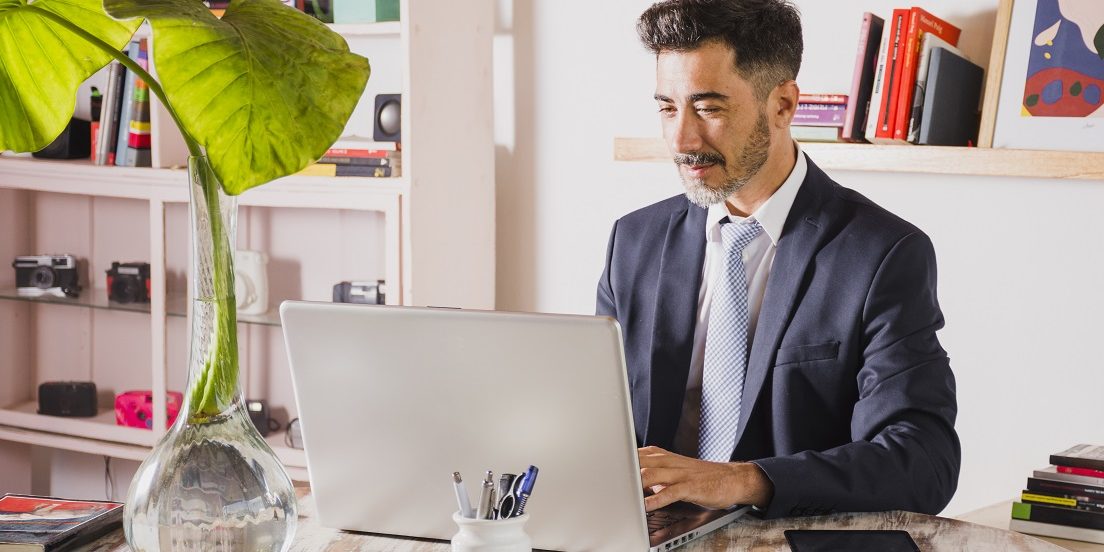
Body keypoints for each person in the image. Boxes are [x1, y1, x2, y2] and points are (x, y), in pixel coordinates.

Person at [596, 0, 960, 519]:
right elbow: (599, 423)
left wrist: (743, 481)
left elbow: (923, 462)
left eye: (708, 108)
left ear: (783, 105)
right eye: (667, 107)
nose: (681, 139)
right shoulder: (633, 241)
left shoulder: (881, 254)